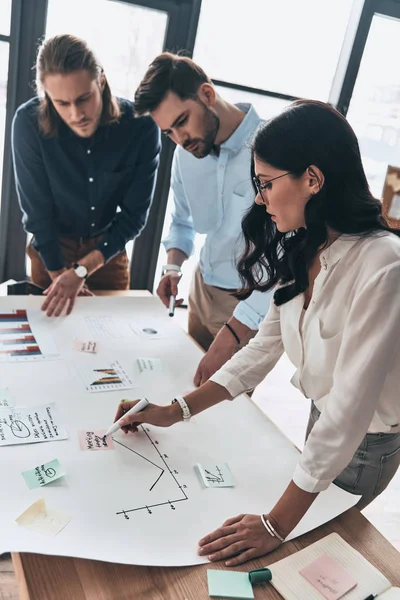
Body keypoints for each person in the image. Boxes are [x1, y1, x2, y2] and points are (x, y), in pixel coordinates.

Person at [112, 100, 400, 565]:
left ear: (312, 179)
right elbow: (265, 346)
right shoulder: (304, 242)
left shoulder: (384, 265)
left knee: (314, 559)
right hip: (322, 419)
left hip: (366, 442)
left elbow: (348, 413)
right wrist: (175, 410)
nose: (260, 198)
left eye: (266, 183)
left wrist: (274, 524)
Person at [134, 53, 274, 384]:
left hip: (249, 305)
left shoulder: (273, 148)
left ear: (207, 95)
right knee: (188, 388)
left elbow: (285, 256)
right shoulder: (187, 155)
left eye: (182, 121)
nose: (179, 139)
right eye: (169, 132)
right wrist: (172, 266)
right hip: (201, 289)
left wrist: (236, 332)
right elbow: (181, 221)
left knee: (228, 406)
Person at [12, 34, 160, 317]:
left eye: (83, 98)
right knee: (51, 334)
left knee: (110, 332)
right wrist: (58, 273)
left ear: (101, 81)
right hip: (51, 248)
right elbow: (37, 213)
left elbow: (133, 217)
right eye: (61, 103)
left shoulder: (140, 127)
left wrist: (82, 269)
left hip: (108, 250)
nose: (75, 113)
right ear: (46, 95)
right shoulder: (28, 124)